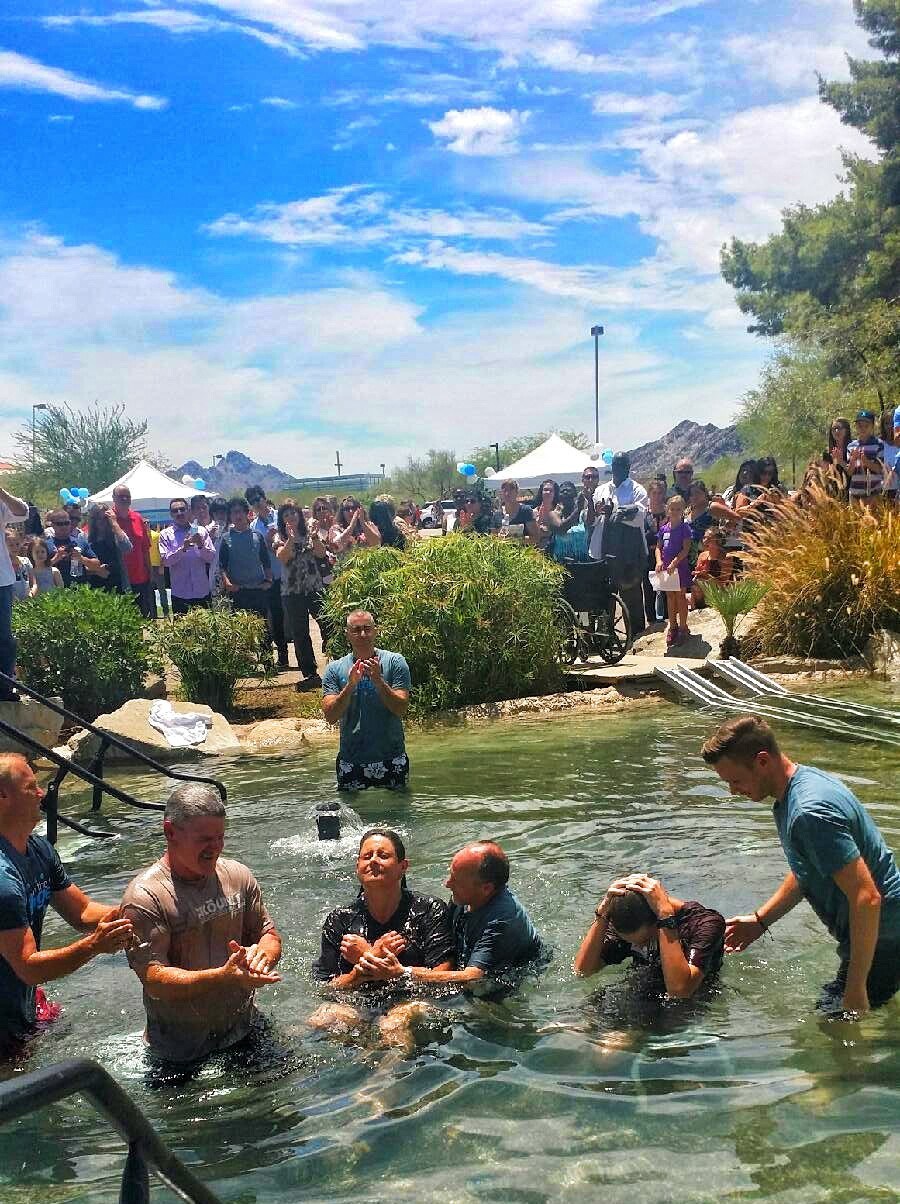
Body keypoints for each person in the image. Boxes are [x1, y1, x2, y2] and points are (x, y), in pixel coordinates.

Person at [701, 715, 900, 1016]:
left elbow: (867, 898)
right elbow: (808, 867)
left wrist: (856, 986)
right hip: (883, 930)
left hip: (885, 936)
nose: (732, 791)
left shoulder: (809, 813)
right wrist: (760, 920)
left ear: (762, 761)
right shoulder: (802, 784)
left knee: (836, 1023)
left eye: (735, 780)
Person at [120, 783, 282, 1064]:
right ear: (170, 832)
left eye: (220, 837)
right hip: (179, 1051)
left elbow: (268, 935)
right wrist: (222, 977)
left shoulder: (238, 877)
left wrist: (261, 958)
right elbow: (155, 980)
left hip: (245, 1030)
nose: (215, 848)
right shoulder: (145, 897)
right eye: (204, 839)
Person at [0, 754, 133, 1059]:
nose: (41, 793)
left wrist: (145, 908)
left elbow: (82, 912)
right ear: (2, 797)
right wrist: (94, 946)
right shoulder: (3, 879)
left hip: (22, 1003)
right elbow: (28, 967)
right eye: (31, 787)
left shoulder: (39, 850)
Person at [310, 829, 454, 1046]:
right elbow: (327, 987)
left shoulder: (428, 910)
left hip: (413, 1000)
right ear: (357, 867)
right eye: (367, 856)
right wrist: (360, 970)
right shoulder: (340, 919)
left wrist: (390, 968)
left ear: (403, 867)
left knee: (393, 1025)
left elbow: (444, 974)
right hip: (360, 1000)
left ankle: (386, 1066)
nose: (374, 861)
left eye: (383, 856)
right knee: (322, 1019)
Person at [357, 841, 545, 1001]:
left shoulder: (503, 920)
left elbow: (472, 978)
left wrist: (402, 973)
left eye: (456, 880)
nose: (447, 884)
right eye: (451, 875)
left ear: (486, 888)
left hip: (511, 981)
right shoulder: (466, 896)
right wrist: (372, 953)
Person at [573, 873, 725, 999]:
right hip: (641, 990)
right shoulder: (631, 922)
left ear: (657, 920)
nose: (639, 947)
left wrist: (666, 916)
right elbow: (583, 971)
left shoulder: (704, 924)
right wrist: (602, 915)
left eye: (645, 941)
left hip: (689, 1005)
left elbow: (679, 991)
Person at [321, 610, 411, 792]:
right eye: (356, 630)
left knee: (399, 809)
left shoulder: (395, 662)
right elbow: (330, 716)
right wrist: (350, 685)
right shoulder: (334, 669)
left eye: (367, 629)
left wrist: (379, 681)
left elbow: (401, 708)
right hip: (351, 761)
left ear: (375, 631)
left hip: (392, 758)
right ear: (347, 634)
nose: (362, 634)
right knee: (350, 811)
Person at [588, 453, 648, 638]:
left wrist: (619, 512)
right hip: (604, 548)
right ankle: (605, 637)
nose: (619, 468)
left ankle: (637, 636)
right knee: (604, 597)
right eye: (616, 464)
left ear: (628, 467)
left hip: (628, 551)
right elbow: (592, 519)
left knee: (632, 596)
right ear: (612, 467)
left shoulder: (637, 489)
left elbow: (640, 515)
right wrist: (598, 510)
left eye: (623, 465)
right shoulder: (601, 490)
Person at [273, 501, 328, 691]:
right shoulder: (279, 537)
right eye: (286, 514)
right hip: (292, 592)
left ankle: (336, 663)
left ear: (300, 515)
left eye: (294, 513)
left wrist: (314, 536)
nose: (291, 517)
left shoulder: (310, 533)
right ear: (282, 519)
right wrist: (290, 539)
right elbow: (283, 557)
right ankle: (310, 674)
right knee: (300, 633)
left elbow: (321, 553)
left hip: (314, 587)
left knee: (327, 624)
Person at [246, 486, 289, 670]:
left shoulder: (281, 516)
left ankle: (289, 657)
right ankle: (274, 659)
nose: (257, 503)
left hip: (287, 573)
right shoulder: (253, 526)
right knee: (270, 617)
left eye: (258, 499)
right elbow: (255, 552)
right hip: (268, 577)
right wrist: (266, 541)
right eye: (252, 502)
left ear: (264, 498)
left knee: (289, 616)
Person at [0, 488, 31, 698]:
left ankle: (4, 687)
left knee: (4, 638)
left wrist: (1, 493)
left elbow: (23, 512)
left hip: (1, 580)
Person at [218, 497, 271, 618]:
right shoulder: (226, 538)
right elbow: (222, 565)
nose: (238, 516)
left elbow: (266, 561)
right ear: (230, 516)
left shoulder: (257, 536)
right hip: (238, 592)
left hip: (258, 590)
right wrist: (227, 583)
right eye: (234, 512)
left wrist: (268, 580)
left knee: (262, 625)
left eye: (240, 511)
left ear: (247, 513)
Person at [159, 498, 214, 614]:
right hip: (180, 594)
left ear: (188, 510)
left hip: (202, 592)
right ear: (171, 514)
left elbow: (211, 558)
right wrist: (183, 549)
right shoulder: (165, 534)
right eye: (175, 511)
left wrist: (200, 545)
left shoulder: (201, 531)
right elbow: (166, 561)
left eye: (182, 509)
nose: (179, 513)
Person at [112, 486, 154, 617]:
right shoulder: (108, 518)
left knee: (143, 618)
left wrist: (150, 572)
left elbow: (145, 548)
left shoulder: (137, 517)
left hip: (140, 579)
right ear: (113, 498)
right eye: (121, 496)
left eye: (127, 496)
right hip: (118, 580)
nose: (125, 499)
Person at [656, 495, 693, 646]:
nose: (675, 512)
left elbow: (686, 549)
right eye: (672, 509)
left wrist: (675, 562)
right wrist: (659, 561)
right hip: (667, 569)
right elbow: (658, 547)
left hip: (680, 568)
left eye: (678, 509)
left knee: (680, 596)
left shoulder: (685, 528)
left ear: (683, 510)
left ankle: (683, 627)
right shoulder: (664, 528)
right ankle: (672, 626)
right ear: (668, 510)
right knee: (670, 597)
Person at [45, 510, 101, 590]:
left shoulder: (80, 542)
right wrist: (56, 558)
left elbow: (97, 565)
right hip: (55, 591)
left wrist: (81, 559)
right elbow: (38, 569)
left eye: (66, 523)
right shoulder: (46, 545)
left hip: (80, 590)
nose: (64, 526)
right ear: (52, 525)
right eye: (60, 524)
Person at [84, 505, 132, 593]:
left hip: (117, 585)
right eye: (99, 519)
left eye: (105, 518)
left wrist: (114, 523)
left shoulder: (116, 534)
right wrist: (97, 571)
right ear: (93, 520)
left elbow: (127, 548)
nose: (102, 522)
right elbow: (81, 565)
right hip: (94, 588)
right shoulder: (85, 537)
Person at [690, 526, 736, 609]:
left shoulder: (726, 557)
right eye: (704, 538)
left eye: (709, 539)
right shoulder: (702, 555)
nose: (705, 541)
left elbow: (723, 584)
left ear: (718, 541)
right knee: (695, 582)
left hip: (720, 592)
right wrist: (698, 574)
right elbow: (698, 576)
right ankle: (694, 609)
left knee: (699, 583)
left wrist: (707, 576)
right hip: (703, 589)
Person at [846, 409, 886, 503]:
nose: (863, 428)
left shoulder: (879, 444)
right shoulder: (851, 446)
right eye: (860, 425)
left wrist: (866, 462)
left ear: (872, 426)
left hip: (874, 493)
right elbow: (849, 473)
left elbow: (880, 469)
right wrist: (853, 460)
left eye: (866, 426)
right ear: (856, 426)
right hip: (855, 493)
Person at [148, 524, 170, 618]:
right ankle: (153, 613)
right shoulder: (141, 536)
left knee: (162, 590)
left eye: (147, 523)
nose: (145, 525)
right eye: (144, 523)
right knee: (150, 591)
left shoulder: (156, 535)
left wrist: (162, 565)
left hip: (157, 566)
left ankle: (166, 612)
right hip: (148, 567)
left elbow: (161, 550)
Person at [7, 530, 32, 604]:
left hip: (27, 602)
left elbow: (34, 583)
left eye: (17, 544)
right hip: (10, 603)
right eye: (11, 545)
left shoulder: (26, 561)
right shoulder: (3, 565)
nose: (15, 547)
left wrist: (31, 593)